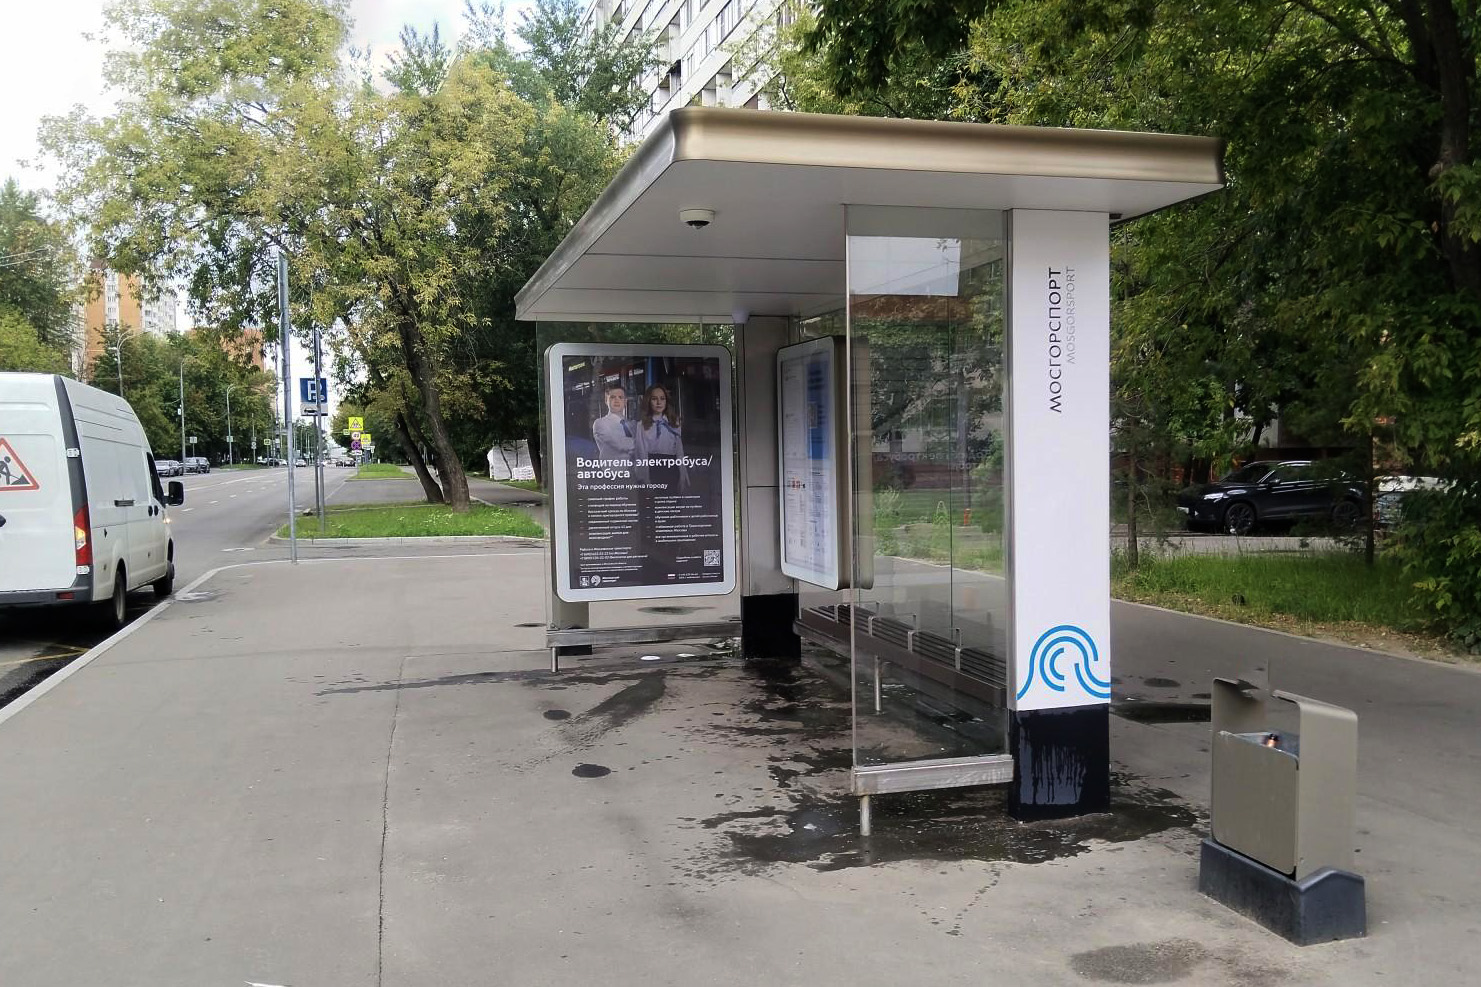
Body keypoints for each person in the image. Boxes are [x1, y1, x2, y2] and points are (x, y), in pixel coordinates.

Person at [635, 383, 689, 491]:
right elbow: (641, 454)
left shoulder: (674, 423)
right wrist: (646, 480)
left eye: (662, 399)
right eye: (654, 399)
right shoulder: (641, 425)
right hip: (652, 469)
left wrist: (683, 474)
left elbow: (679, 451)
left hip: (672, 469)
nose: (659, 402)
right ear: (648, 401)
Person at [590, 383, 636, 464]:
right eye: (613, 397)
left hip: (635, 471)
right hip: (613, 471)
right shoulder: (600, 424)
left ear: (625, 402)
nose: (617, 400)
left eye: (620, 397)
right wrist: (641, 444)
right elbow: (621, 444)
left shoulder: (633, 424)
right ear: (606, 400)